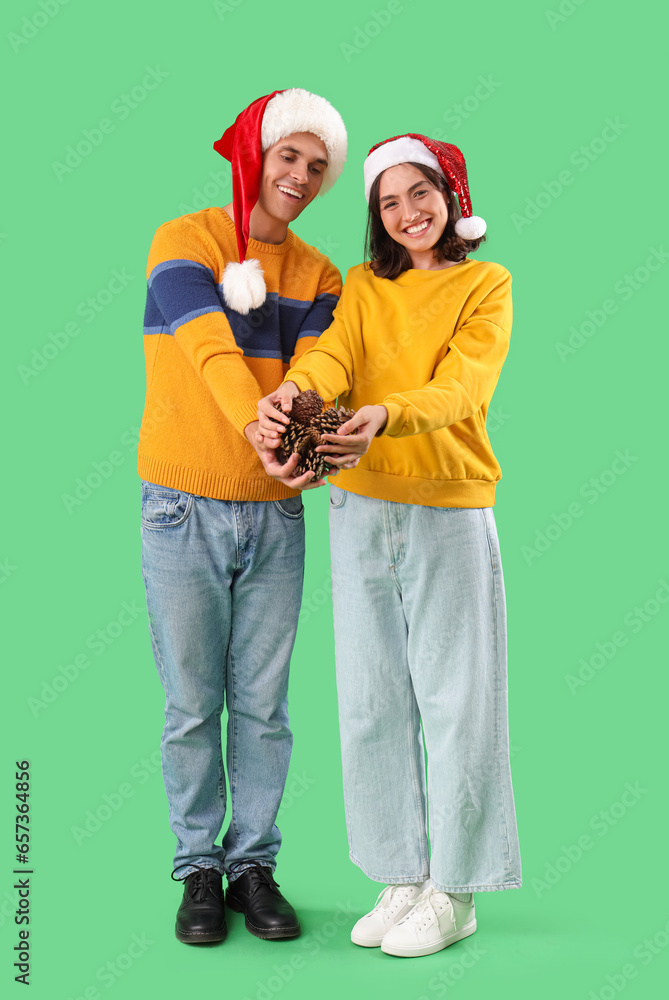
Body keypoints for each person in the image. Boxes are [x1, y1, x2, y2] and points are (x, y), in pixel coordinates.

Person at [257, 133, 522, 959]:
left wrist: (385, 415)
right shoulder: (366, 288)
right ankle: (401, 874)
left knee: (456, 701)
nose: (407, 212)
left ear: (451, 194)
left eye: (420, 193)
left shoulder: (485, 284)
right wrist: (297, 391)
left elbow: (461, 386)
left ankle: (457, 889)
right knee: (371, 700)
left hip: (446, 507)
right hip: (359, 509)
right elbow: (334, 353)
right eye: (387, 200)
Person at [137, 88, 348, 945]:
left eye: (317, 165)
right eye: (287, 155)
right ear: (250, 152)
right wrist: (259, 421)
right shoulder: (181, 241)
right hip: (181, 508)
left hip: (275, 518)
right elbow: (211, 349)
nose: (299, 175)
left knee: (263, 708)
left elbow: (320, 366)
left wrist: (289, 419)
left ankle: (252, 863)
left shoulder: (321, 274)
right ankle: (196, 870)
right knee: (192, 704)